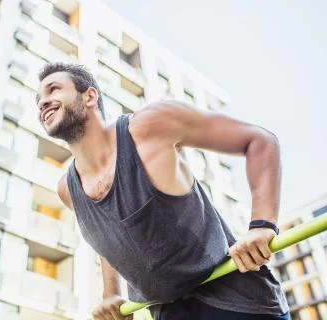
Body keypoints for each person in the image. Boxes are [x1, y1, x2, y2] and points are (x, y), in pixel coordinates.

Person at [35, 62, 289, 320]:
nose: (43, 103)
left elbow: (259, 141)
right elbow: (107, 235)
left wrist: (261, 225)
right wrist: (110, 293)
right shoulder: (67, 189)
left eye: (53, 90)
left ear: (89, 96)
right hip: (168, 313)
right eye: (39, 100)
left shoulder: (149, 127)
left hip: (237, 304)